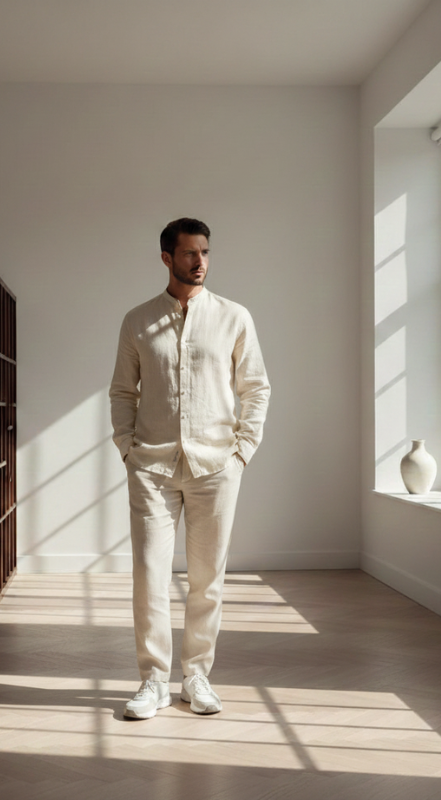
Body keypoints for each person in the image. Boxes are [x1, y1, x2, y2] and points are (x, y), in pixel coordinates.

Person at [109, 217, 270, 720]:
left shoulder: (234, 316)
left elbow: (256, 387)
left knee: (207, 579)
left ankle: (196, 676)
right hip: (152, 468)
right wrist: (126, 449)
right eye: (189, 254)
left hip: (216, 467)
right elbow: (121, 391)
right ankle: (153, 681)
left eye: (205, 252)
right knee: (150, 575)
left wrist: (241, 451)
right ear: (167, 258)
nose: (199, 262)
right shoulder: (137, 321)